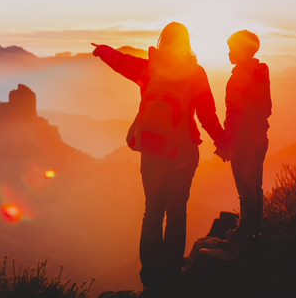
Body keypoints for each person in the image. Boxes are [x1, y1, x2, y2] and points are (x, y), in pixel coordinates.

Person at [91, 22, 224, 294]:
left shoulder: (148, 68)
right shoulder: (194, 74)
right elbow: (207, 114)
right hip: (183, 152)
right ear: (186, 43)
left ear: (163, 40)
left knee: (152, 212)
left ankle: (150, 276)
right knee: (176, 213)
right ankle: (171, 273)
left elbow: (121, 62)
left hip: (152, 151)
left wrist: (103, 51)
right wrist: (223, 143)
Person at [216, 30, 272, 241]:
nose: (229, 53)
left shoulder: (240, 77)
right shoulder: (261, 72)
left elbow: (234, 114)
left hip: (244, 139)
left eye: (231, 49)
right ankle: (255, 229)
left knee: (246, 188)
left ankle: (246, 232)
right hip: (260, 135)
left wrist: (226, 144)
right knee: (256, 186)